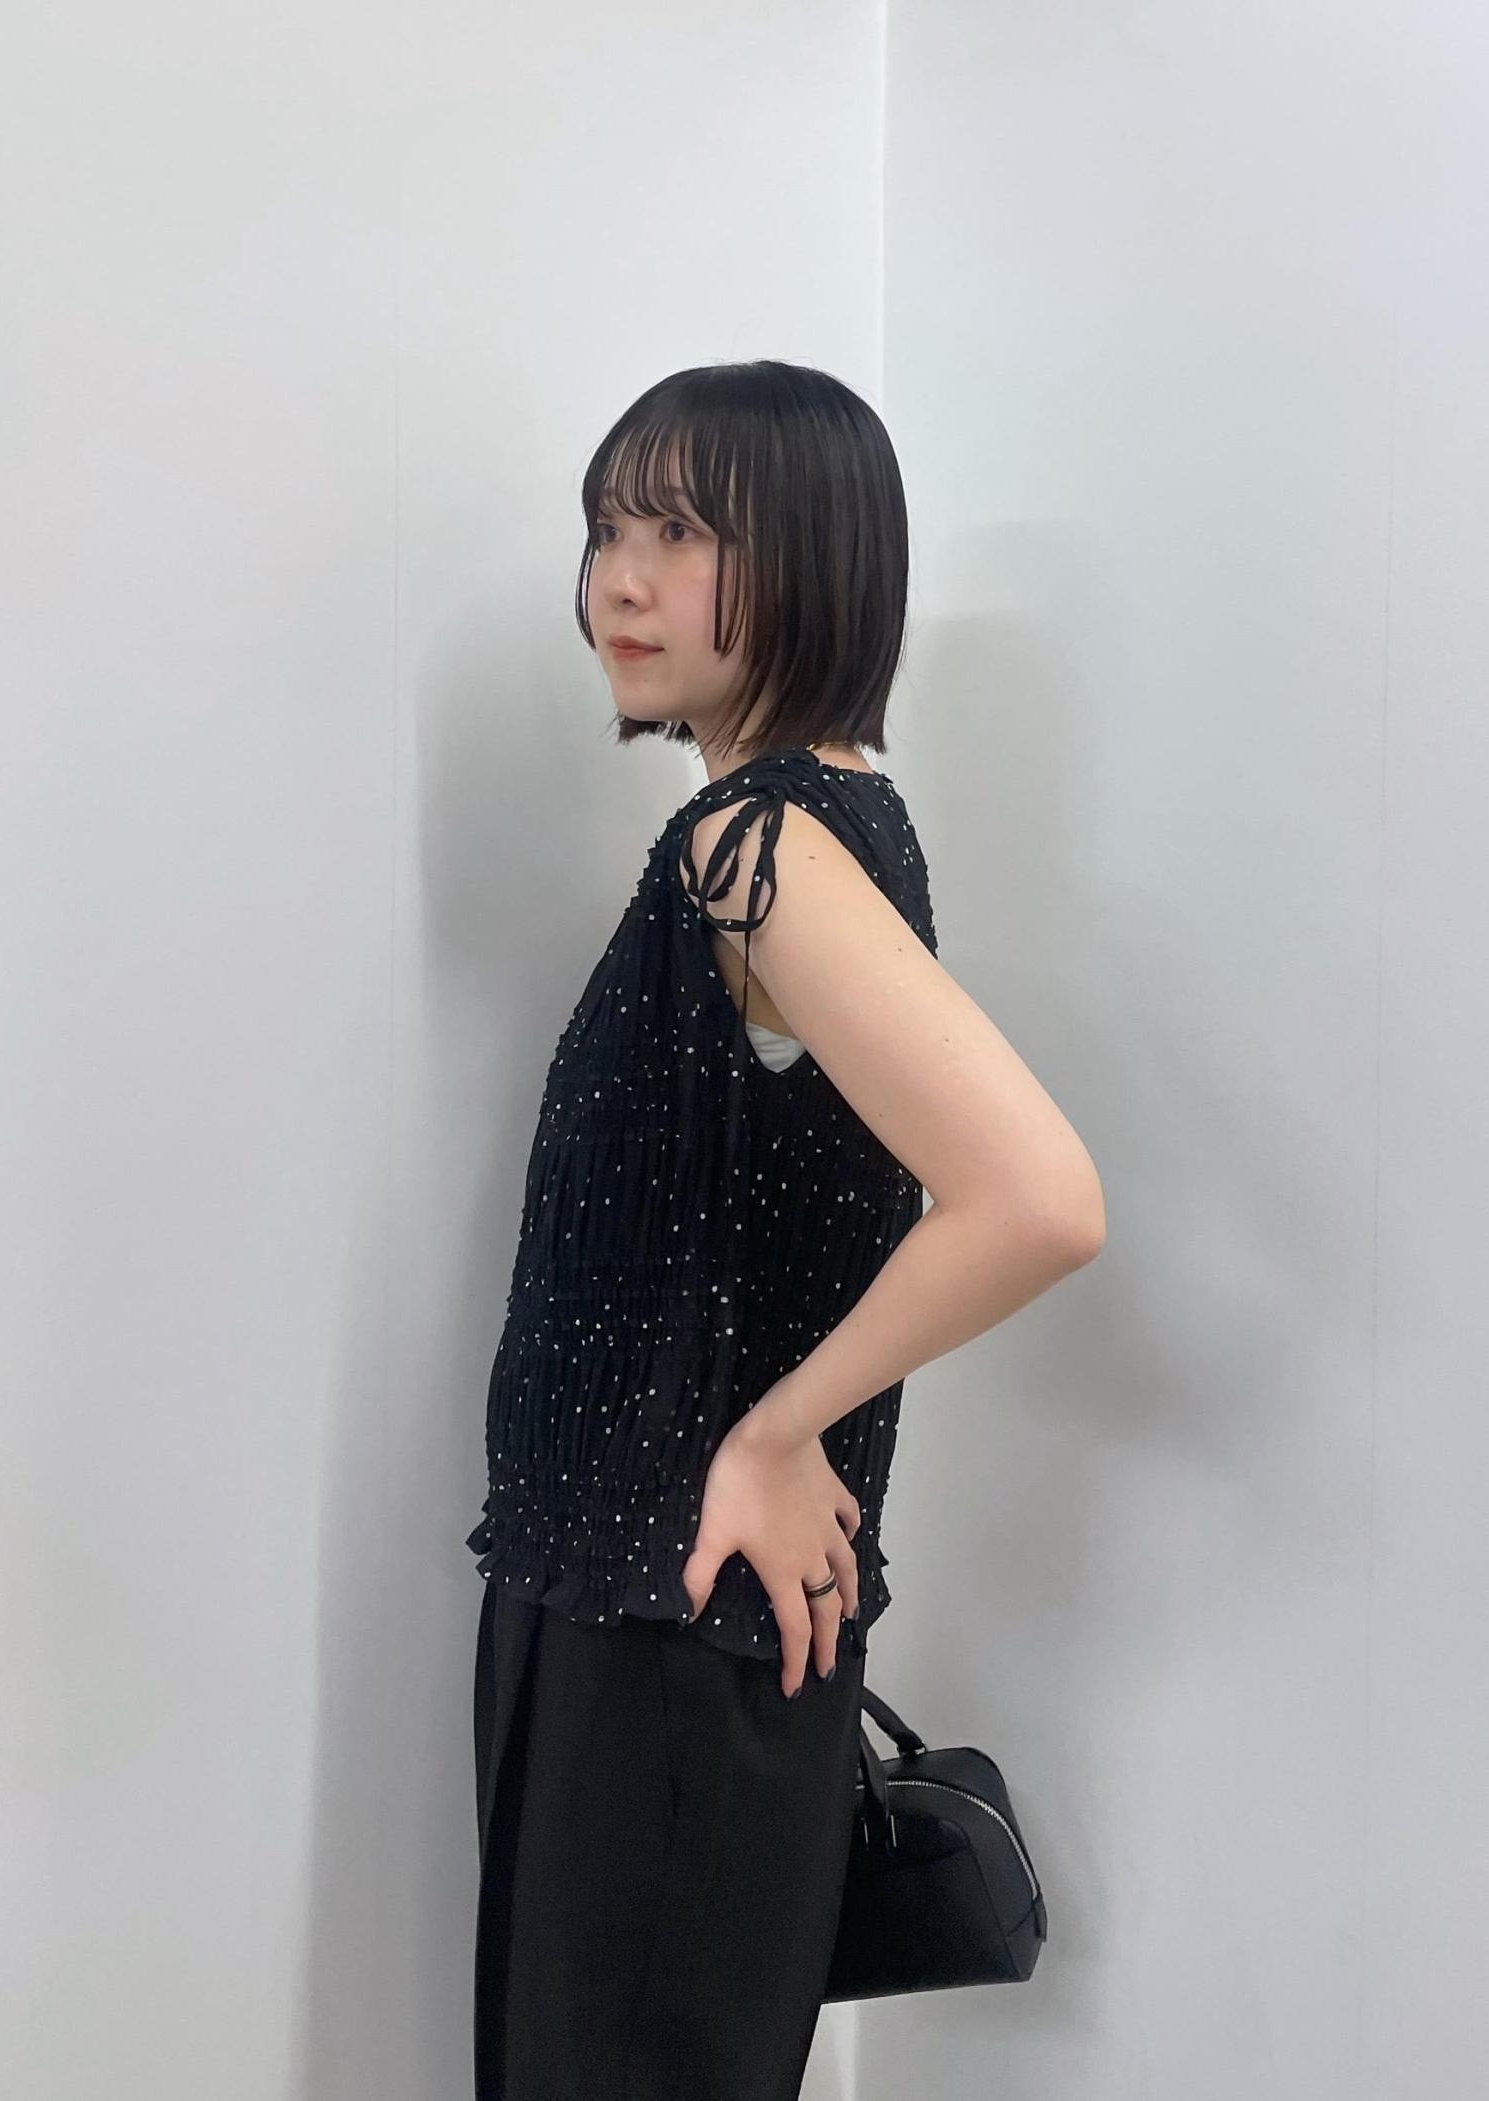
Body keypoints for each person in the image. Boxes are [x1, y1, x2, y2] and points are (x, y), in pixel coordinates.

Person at [466, 360, 1105, 2100]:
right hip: (661, 1616)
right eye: (607, 528)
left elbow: (1039, 1198)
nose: (619, 579)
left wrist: (775, 1428)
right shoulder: (803, 830)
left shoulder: (757, 850)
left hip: (667, 1634)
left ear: (816, 555)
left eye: (680, 532)